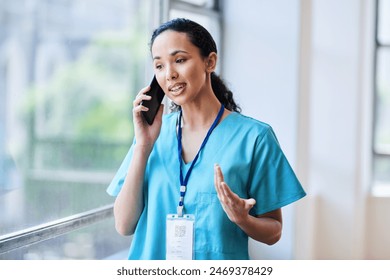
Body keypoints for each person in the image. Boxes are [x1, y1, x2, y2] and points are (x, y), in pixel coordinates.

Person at [107, 18, 306, 260]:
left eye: (179, 60)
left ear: (209, 62)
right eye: (159, 66)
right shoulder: (151, 137)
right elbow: (124, 225)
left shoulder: (255, 138)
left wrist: (243, 219)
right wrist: (143, 146)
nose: (169, 74)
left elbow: (274, 231)